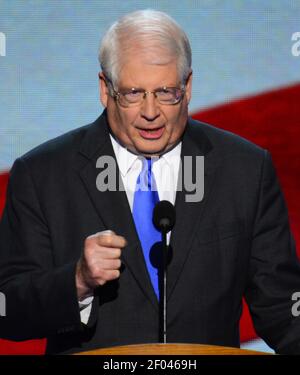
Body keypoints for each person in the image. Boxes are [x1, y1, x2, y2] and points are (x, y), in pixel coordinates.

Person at [0, 9, 300, 355]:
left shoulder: (244, 170)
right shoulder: (44, 176)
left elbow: (283, 307)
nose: (150, 111)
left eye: (166, 92)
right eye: (132, 93)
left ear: (187, 88)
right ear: (105, 89)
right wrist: (77, 280)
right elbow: (10, 308)